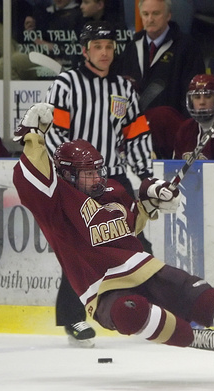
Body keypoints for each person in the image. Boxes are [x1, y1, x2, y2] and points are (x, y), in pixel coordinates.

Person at [11, 102, 214, 357]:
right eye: (87, 173)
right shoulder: (56, 202)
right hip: (103, 287)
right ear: (66, 176)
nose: (97, 177)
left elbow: (130, 222)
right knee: (129, 312)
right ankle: (193, 338)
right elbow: (31, 177)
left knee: (197, 292)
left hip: (143, 267)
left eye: (98, 169)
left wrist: (153, 200)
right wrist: (33, 136)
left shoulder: (111, 189)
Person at [44, 20, 154, 347]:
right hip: (76, 181)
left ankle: (151, 310)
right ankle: (72, 319)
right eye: (97, 47)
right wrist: (70, 172)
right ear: (85, 50)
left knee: (136, 245)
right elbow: (54, 133)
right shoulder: (67, 84)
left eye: (108, 47)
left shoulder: (124, 87)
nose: (104, 52)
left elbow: (136, 134)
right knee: (80, 250)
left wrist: (146, 174)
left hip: (113, 176)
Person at [113, 0, 205, 115]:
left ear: (168, 16)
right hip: (136, 127)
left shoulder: (188, 47)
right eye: (146, 14)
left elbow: (192, 94)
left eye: (156, 13)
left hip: (173, 126)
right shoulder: (132, 47)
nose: (150, 19)